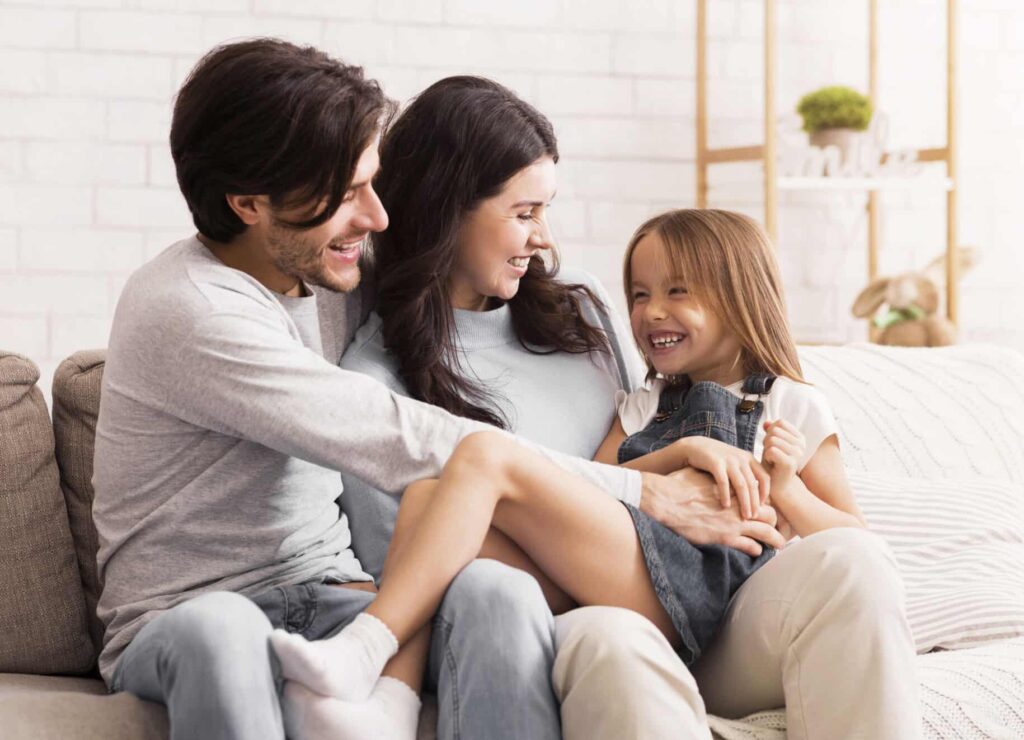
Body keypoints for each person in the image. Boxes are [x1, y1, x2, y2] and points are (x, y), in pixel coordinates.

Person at [91, 41, 758, 740]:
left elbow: (449, 251)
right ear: (248, 203)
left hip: (333, 595)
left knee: (497, 590)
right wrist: (643, 492)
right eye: (347, 196)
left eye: (371, 184)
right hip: (185, 612)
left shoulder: (327, 271)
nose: (377, 218)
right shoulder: (191, 309)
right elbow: (401, 436)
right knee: (222, 631)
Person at [316, 77, 924, 739]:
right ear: (449, 207)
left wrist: (716, 477)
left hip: (702, 589)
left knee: (855, 565)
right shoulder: (374, 382)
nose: (542, 238)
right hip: (569, 617)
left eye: (545, 210)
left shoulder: (578, 310)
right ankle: (372, 673)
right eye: (524, 213)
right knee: (601, 629)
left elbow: (645, 446)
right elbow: (426, 571)